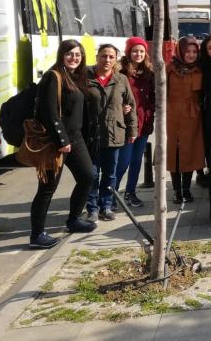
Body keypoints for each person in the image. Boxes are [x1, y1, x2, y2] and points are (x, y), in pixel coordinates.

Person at [29, 40, 97, 248]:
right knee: (47, 188)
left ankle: (73, 220)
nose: (74, 58)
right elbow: (49, 113)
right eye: (69, 54)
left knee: (88, 177)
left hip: (75, 139)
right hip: (56, 142)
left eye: (77, 54)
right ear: (61, 55)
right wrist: (61, 140)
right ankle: (37, 235)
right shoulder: (53, 76)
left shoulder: (77, 77)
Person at [85, 44, 138, 222]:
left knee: (110, 173)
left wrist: (133, 129)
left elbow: (131, 106)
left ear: (115, 59)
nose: (107, 60)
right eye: (103, 56)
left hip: (114, 132)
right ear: (97, 56)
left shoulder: (121, 79)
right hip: (91, 135)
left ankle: (105, 206)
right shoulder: (85, 76)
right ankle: (92, 208)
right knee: (92, 174)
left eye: (111, 57)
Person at [114, 37, 155, 209]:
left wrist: (151, 110)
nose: (138, 54)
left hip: (144, 122)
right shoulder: (120, 72)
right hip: (126, 124)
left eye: (141, 51)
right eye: (134, 51)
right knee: (123, 161)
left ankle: (130, 192)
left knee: (137, 161)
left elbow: (154, 95)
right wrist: (120, 107)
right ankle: (111, 194)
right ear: (128, 52)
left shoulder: (149, 72)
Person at [167, 36, 205, 203]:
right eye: (187, 51)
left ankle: (186, 189)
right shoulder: (169, 68)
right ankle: (176, 191)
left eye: (194, 51)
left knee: (190, 151)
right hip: (172, 115)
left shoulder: (200, 69)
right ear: (180, 51)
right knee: (174, 152)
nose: (191, 55)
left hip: (192, 116)